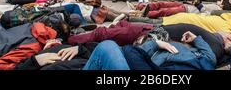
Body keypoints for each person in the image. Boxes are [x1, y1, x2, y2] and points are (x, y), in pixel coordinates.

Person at [83, 29, 216, 70]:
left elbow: (130, 53)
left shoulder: (157, 57)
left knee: (108, 46)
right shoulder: (204, 60)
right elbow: (211, 57)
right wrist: (196, 39)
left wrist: (155, 43)